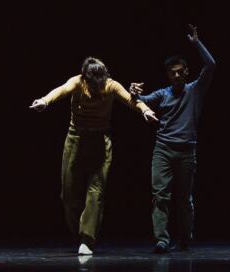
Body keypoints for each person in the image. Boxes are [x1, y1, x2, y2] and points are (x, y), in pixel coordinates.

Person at [29, 57, 158, 255]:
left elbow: (131, 100)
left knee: (96, 192)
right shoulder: (77, 82)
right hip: (76, 139)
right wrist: (45, 101)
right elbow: (61, 90)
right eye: (91, 82)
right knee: (68, 193)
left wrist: (145, 110)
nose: (95, 88)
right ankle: (80, 232)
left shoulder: (111, 85)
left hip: (100, 141)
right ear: (85, 78)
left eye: (99, 81)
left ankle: (87, 240)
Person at [128, 24, 215, 254]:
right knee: (160, 196)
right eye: (171, 72)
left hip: (187, 151)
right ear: (168, 74)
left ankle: (185, 238)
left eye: (179, 71)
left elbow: (211, 65)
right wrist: (133, 93)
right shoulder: (163, 94)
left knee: (184, 199)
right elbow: (140, 101)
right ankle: (162, 239)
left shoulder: (195, 89)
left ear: (186, 71)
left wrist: (196, 43)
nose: (176, 75)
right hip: (163, 149)